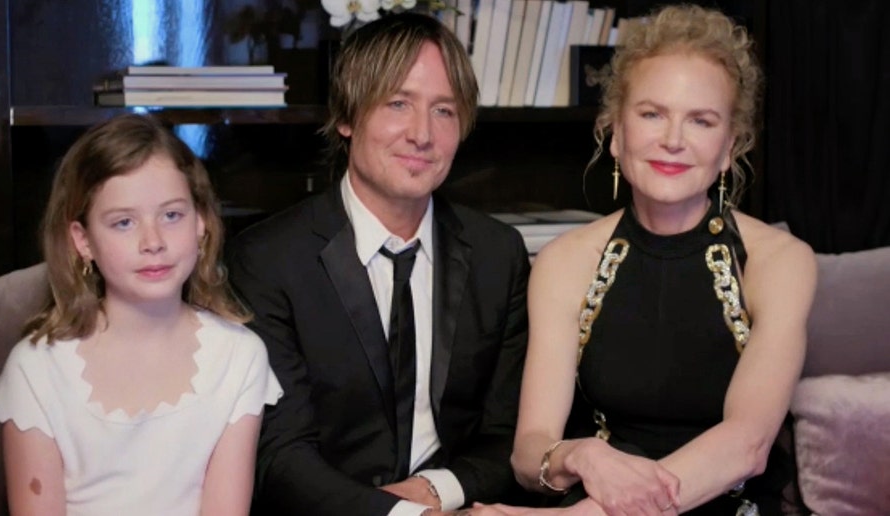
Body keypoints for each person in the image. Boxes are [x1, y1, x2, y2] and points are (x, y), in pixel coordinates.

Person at [478, 4, 817, 515]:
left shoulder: (781, 261)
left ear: (729, 147)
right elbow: (530, 456)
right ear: (616, 132)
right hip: (592, 496)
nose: (673, 141)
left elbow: (746, 446)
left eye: (701, 121)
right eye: (652, 114)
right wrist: (584, 456)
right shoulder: (564, 261)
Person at [226, 12, 531, 516]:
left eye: (444, 111)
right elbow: (281, 455)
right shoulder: (267, 260)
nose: (422, 134)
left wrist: (435, 493)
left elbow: (510, 435)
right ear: (346, 117)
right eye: (398, 104)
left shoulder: (498, 253)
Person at [0, 114, 282, 515]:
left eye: (172, 215)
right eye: (123, 222)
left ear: (202, 223)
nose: (152, 241)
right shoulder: (36, 369)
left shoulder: (239, 357)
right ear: (82, 241)